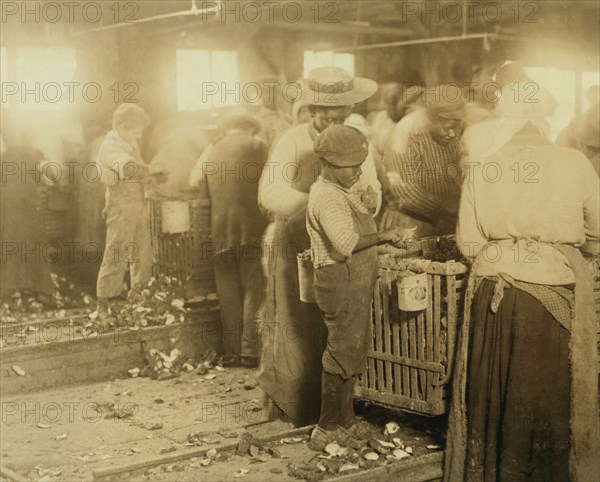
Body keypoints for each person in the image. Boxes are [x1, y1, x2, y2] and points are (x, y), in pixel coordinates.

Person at [445, 79, 600, 481]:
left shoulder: (484, 167)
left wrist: (506, 252)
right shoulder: (574, 162)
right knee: (541, 397)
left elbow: (470, 242)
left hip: (491, 295)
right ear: (542, 118)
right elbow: (599, 234)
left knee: (488, 397)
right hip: (546, 295)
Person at [257, 66, 381, 426]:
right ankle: (295, 406)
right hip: (295, 242)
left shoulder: (355, 139)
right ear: (311, 110)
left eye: (339, 114)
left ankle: (338, 411)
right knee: (296, 325)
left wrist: (370, 200)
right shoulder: (292, 140)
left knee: (338, 327)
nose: (332, 120)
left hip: (341, 247)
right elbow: (268, 193)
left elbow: (369, 186)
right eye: (325, 114)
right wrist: (319, 205)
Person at [306, 125, 402, 449]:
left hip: (354, 281)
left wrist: (366, 200)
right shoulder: (326, 197)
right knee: (339, 351)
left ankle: (347, 420)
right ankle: (326, 428)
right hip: (339, 281)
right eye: (352, 167)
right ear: (330, 167)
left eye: (360, 164)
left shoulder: (342, 190)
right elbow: (346, 242)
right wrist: (388, 235)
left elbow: (358, 217)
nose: (359, 171)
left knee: (352, 349)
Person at [190, 113, 269, 367]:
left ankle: (233, 351)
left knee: (227, 290)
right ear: (250, 128)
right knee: (253, 287)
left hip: (220, 229)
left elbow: (193, 180)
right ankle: (251, 351)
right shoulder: (259, 146)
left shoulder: (213, 148)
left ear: (227, 128)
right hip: (252, 228)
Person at [95, 104, 164, 324]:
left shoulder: (129, 142)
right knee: (116, 252)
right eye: (136, 130)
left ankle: (139, 300)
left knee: (142, 253)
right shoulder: (111, 146)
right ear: (122, 127)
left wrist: (151, 176)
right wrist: (150, 170)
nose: (140, 134)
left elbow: (138, 167)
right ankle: (105, 303)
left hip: (137, 202)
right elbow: (128, 169)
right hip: (120, 205)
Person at [382, 84, 466, 235]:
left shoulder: (452, 133)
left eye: (456, 127)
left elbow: (459, 173)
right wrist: (446, 208)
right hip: (409, 223)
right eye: (447, 127)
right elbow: (402, 188)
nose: (452, 134)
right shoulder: (405, 132)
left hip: (446, 221)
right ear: (430, 118)